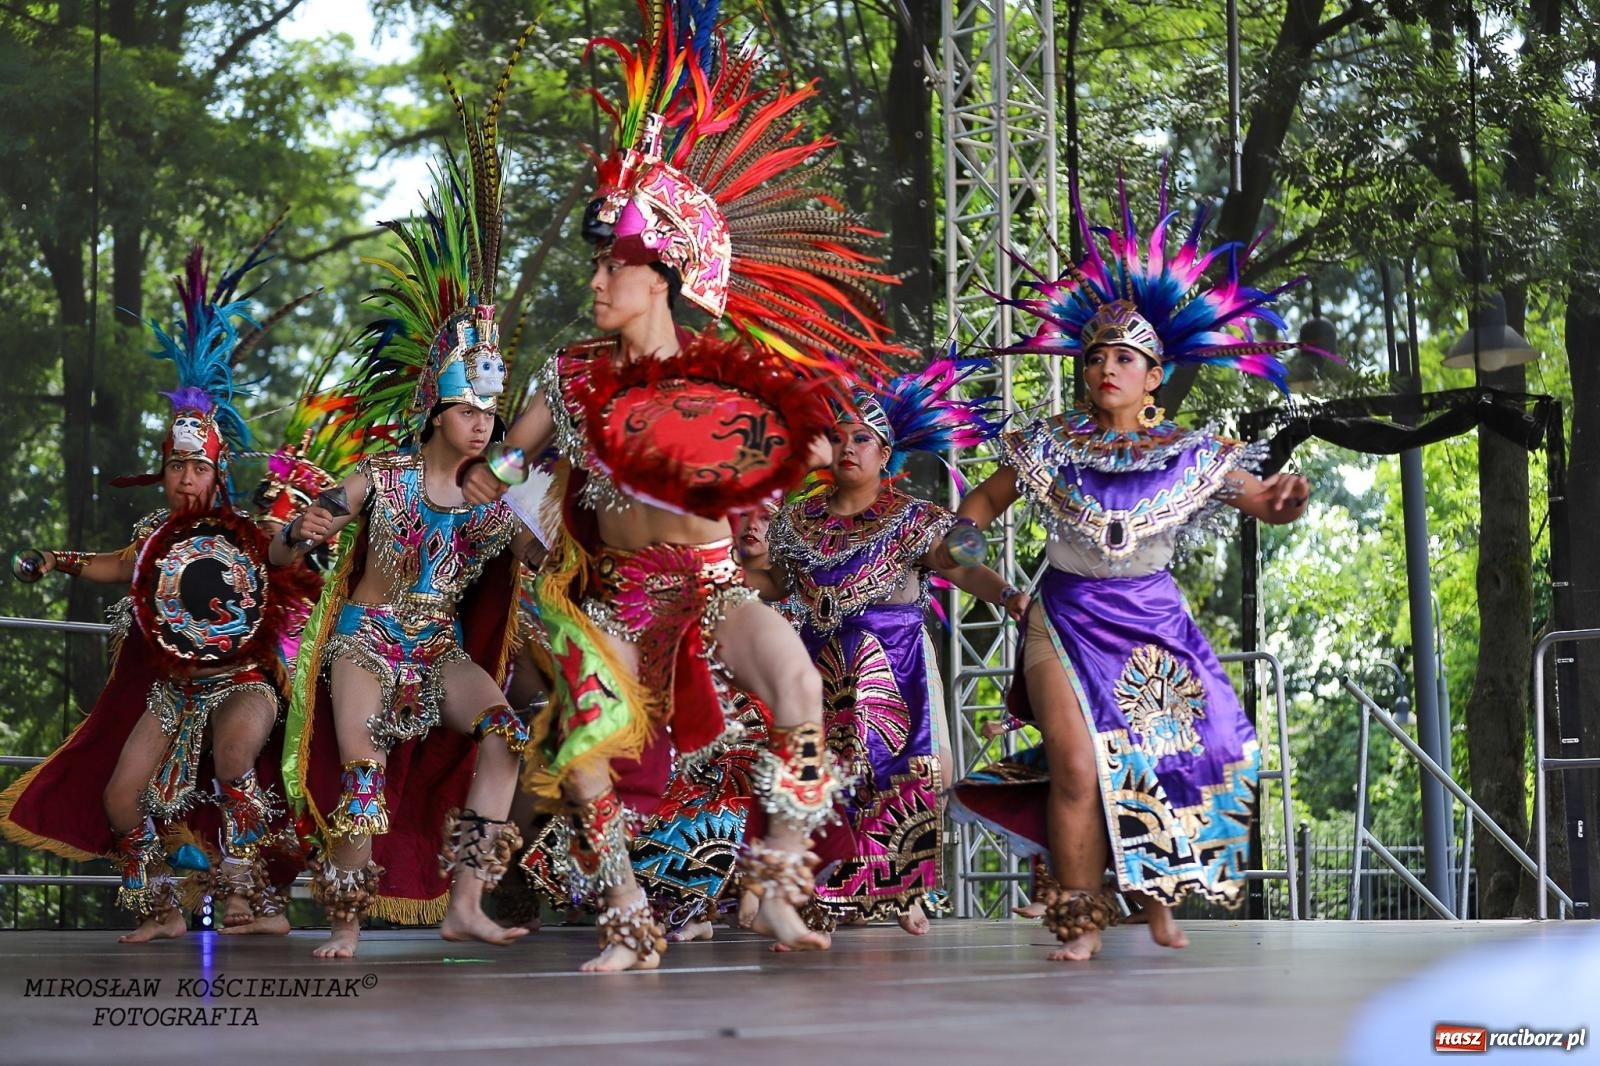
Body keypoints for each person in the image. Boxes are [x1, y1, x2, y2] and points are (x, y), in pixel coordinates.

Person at [461, 0, 902, 971]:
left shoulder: (726, 378)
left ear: (659, 276)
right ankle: (627, 914)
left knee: (798, 688)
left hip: (713, 589)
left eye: (611, 267)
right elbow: (510, 463)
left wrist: (799, 458)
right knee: (582, 746)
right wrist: (466, 484)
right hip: (621, 601)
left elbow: (801, 450)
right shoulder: (569, 376)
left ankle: (776, 879)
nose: (595, 283)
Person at [950, 169, 1319, 961]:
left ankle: (1156, 900)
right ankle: (1080, 921)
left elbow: (1261, 499)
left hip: (1152, 619)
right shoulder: (1048, 443)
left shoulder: (1192, 453)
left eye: (1124, 357)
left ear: (1154, 376)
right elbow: (977, 509)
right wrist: (973, 554)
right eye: (1095, 357)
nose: (1106, 368)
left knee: (1172, 758)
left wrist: (1286, 498)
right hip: (1064, 616)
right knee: (1076, 767)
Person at [274, 41, 545, 958]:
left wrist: (549, 524)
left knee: (504, 734)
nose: (483, 423)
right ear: (436, 409)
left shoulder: (495, 502)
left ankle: (468, 899)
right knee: (363, 775)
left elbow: (551, 564)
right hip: (366, 641)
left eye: (493, 412)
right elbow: (289, 546)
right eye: (469, 409)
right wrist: (303, 529)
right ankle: (347, 923)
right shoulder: (379, 477)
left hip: (439, 647)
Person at [1, 232, 312, 940]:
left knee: (235, 759)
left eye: (198, 467)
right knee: (121, 797)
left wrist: (300, 528)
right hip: (173, 688)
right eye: (175, 466)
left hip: (244, 680)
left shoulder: (246, 530)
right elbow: (113, 564)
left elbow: (284, 553)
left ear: (217, 473)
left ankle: (256, 902)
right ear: (163, 471)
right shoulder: (152, 539)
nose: (185, 478)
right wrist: (56, 559)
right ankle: (166, 911)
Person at [757, 359, 1021, 935]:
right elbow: (775, 585)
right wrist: (725, 571)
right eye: (838, 438)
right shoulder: (797, 520)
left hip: (895, 661)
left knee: (902, 773)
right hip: (818, 661)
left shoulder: (911, 517)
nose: (848, 448)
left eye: (862, 439)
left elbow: (959, 564)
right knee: (823, 771)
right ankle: (822, 890)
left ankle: (904, 890)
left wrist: (1006, 594)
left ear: (885, 454)